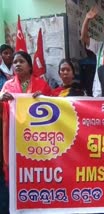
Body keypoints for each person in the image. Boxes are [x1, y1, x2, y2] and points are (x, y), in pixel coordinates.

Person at [0, 51, 52, 214]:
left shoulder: (41, 85)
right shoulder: (7, 87)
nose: (17, 64)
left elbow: (56, 109)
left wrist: (45, 99)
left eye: (21, 61)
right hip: (13, 137)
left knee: (36, 172)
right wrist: (0, 98)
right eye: (15, 62)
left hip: (37, 139)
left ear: (30, 66)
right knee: (16, 173)